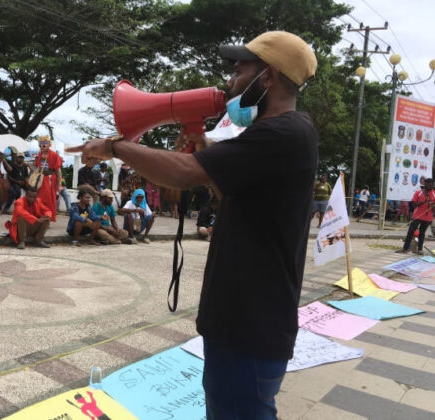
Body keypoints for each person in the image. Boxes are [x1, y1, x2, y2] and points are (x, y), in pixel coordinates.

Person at [67, 30, 318, 419]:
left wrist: (115, 147)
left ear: (267, 77)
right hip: (245, 320)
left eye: (239, 71)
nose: (230, 81)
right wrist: (202, 145)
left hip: (249, 325)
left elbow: (184, 174)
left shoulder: (280, 133)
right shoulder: (281, 134)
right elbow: (230, 194)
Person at [397, 178, 435, 255]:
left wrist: (432, 205)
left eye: (431, 183)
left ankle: (420, 250)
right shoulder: (418, 192)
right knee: (410, 232)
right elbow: (413, 205)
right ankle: (405, 249)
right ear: (425, 184)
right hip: (417, 216)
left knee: (422, 233)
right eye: (428, 183)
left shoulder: (434, 193)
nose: (430, 185)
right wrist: (423, 202)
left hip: (428, 218)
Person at [33, 135, 61, 222]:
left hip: (50, 180)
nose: (43, 145)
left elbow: (58, 171)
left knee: (49, 199)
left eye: (45, 143)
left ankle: (48, 217)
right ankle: (40, 216)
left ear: (49, 144)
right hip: (41, 179)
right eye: (41, 144)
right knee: (39, 199)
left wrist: (59, 185)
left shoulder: (54, 155)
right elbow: (37, 168)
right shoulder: (40, 154)